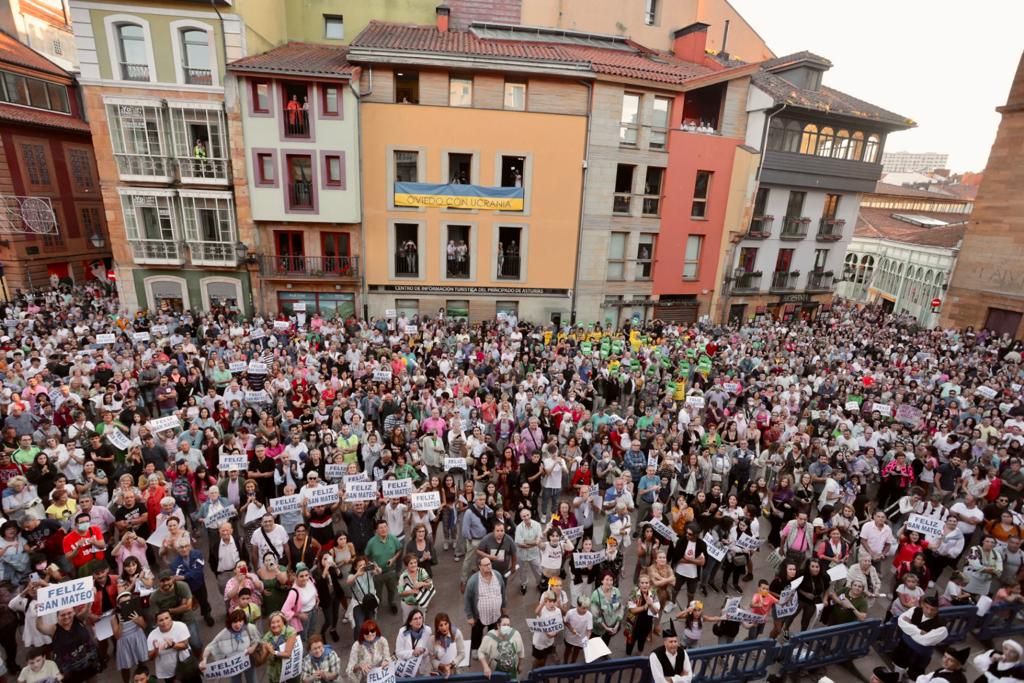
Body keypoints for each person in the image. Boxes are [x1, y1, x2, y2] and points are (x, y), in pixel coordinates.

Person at [892, 596, 949, 681]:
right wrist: (919, 631)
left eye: (933, 609)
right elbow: (901, 622)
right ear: (922, 605)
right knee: (899, 664)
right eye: (927, 608)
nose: (929, 612)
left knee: (915, 674)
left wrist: (910, 627)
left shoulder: (942, 627)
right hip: (904, 646)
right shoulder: (914, 610)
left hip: (920, 654)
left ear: (937, 610)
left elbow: (925, 641)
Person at [199, 609, 262, 683]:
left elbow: (258, 639)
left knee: (252, 680)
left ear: (244, 621)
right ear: (230, 622)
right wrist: (204, 660)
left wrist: (253, 647)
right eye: (235, 622)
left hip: (248, 661)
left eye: (240, 621)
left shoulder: (250, 628)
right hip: (233, 665)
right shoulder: (224, 633)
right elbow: (210, 647)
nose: (238, 624)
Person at [464, 557, 506, 653]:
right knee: (477, 632)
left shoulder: (497, 575)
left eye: (490, 564)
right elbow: (467, 599)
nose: (489, 566)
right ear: (480, 567)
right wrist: (469, 616)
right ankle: (475, 648)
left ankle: (491, 646)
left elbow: (503, 591)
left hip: (495, 614)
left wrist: (503, 606)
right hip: (479, 615)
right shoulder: (473, 580)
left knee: (493, 632)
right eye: (486, 565)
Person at [146, 609, 194, 683]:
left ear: (171, 618)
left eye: (167, 618)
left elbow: (185, 645)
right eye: (161, 620)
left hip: (185, 666)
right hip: (167, 672)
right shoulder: (152, 635)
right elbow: (151, 657)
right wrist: (156, 649)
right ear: (156, 623)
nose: (165, 622)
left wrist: (172, 645)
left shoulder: (180, 626)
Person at [477, 614, 524, 681]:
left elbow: (521, 650)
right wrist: (485, 667)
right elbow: (480, 652)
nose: (507, 627)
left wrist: (520, 664)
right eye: (504, 625)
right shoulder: (489, 637)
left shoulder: (516, 634)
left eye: (508, 625)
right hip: (496, 667)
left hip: (512, 668)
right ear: (498, 625)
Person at [262, 611, 300, 683]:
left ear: (283, 622)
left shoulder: (290, 631)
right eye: (272, 622)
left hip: (289, 670)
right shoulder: (266, 638)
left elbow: (288, 654)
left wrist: (273, 652)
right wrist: (266, 652)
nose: (275, 624)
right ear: (269, 625)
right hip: (274, 673)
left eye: (278, 621)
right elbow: (263, 659)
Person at [395, 608, 433, 677]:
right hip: (406, 668)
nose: (418, 621)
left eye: (420, 618)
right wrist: (413, 652)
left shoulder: (428, 630)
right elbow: (398, 652)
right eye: (415, 619)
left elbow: (430, 650)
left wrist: (423, 650)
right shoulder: (402, 632)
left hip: (423, 668)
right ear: (410, 622)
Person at [429, 612, 466, 677]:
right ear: (437, 627)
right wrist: (442, 667)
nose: (444, 627)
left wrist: (450, 665)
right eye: (441, 625)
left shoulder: (456, 634)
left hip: (455, 670)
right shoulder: (433, 639)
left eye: (446, 624)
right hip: (439, 673)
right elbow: (432, 659)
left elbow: (462, 654)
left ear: (449, 623)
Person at [563, 595, 593, 664]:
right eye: (583, 608)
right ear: (577, 606)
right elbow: (565, 622)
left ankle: (573, 664)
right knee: (567, 650)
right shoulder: (570, 613)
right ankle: (565, 663)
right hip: (569, 638)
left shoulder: (589, 615)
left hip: (580, 639)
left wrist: (587, 639)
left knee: (576, 652)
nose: (585, 610)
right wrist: (571, 629)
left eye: (586, 608)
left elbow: (589, 630)